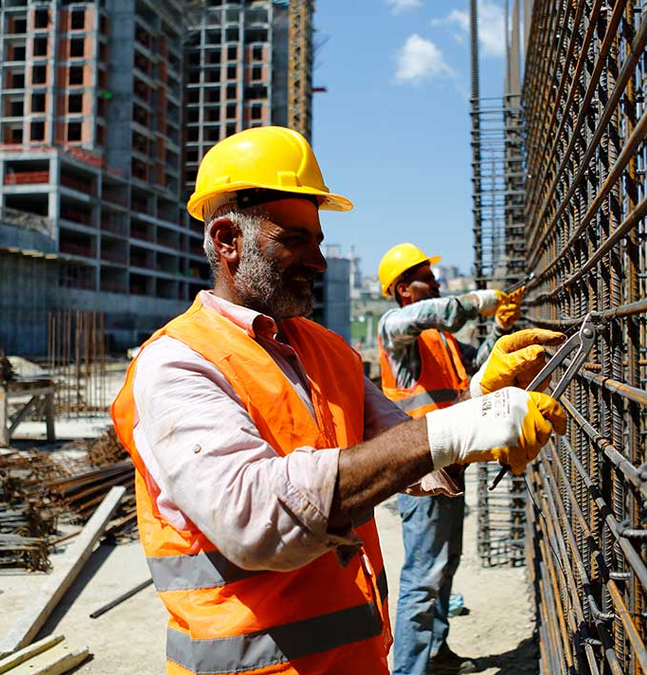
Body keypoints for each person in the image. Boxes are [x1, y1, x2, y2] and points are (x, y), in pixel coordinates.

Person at [109, 126, 566, 675]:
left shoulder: (324, 350)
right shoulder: (178, 363)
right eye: (295, 239)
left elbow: (405, 445)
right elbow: (253, 519)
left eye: (318, 241)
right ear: (228, 240)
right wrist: (461, 427)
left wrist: (482, 402)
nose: (318, 261)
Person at [377, 243, 564, 675]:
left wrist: (500, 330)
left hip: (451, 466)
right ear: (404, 289)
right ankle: (409, 670)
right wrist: (479, 302)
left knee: (445, 566)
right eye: (428, 278)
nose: (438, 283)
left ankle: (436, 654)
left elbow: (478, 371)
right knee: (423, 577)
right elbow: (432, 314)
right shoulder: (394, 330)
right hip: (418, 471)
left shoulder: (440, 342)